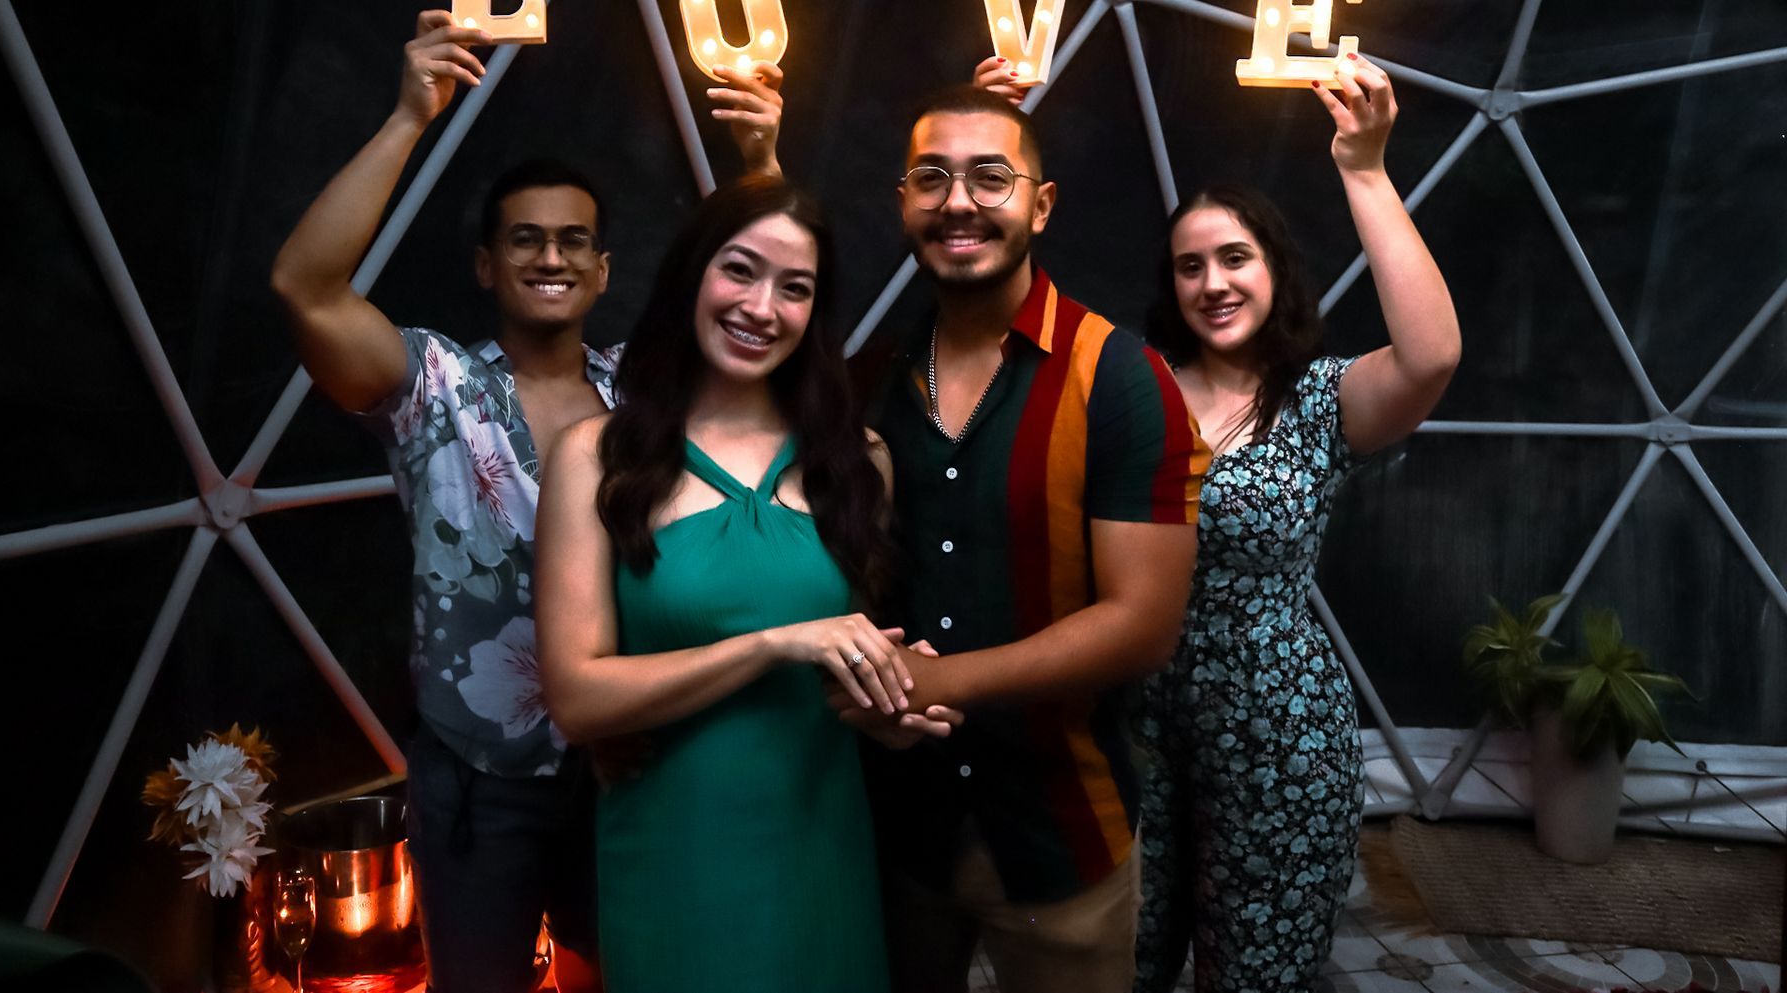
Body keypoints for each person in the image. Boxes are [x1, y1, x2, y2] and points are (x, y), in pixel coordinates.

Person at [270, 9, 784, 993]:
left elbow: (761, 302)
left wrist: (759, 155)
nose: (550, 258)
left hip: (630, 770)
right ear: (487, 265)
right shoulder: (436, 384)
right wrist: (410, 116)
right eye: (525, 241)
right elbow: (306, 287)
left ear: (600, 271)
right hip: (476, 789)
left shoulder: (646, 391)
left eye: (572, 243)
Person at [983, 51, 1456, 992]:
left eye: (1235, 257)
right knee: (1123, 957)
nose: (1213, 282)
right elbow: (1002, 330)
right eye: (1190, 265)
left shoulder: (1319, 397)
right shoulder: (1131, 386)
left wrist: (1364, 169)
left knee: (1257, 972)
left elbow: (1433, 353)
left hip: (1281, 731)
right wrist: (995, 159)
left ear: (1275, 269)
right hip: (1130, 721)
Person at [535, 177, 961, 993]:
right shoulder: (597, 455)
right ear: (693, 273)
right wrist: (773, 643)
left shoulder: (856, 459)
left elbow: (854, 664)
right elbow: (577, 697)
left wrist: (896, 708)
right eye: (740, 270)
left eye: (794, 288)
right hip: (674, 854)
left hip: (821, 840)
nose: (761, 307)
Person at [843, 83, 1208, 993]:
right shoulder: (870, 381)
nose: (958, 200)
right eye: (932, 177)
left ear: (1041, 204)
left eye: (989, 178)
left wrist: (933, 683)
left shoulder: (1120, 375)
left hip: (1060, 827)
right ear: (902, 202)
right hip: (896, 829)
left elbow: (1142, 623)